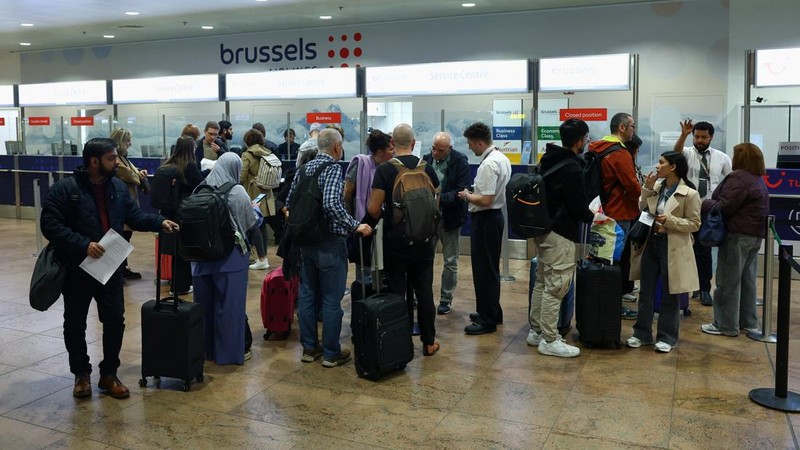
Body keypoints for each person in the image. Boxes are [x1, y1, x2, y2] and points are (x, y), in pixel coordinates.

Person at [41, 138, 178, 399]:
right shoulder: (65, 189)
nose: (117, 162)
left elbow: (133, 217)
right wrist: (83, 245)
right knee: (75, 324)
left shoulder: (116, 187)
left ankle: (109, 374)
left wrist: (159, 222)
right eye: (111, 158)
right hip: (77, 269)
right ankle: (81, 374)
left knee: (115, 321)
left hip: (110, 267)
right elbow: (49, 224)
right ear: (94, 161)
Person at [287, 129, 372, 367]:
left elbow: (291, 201)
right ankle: (331, 353)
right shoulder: (333, 168)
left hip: (306, 243)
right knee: (331, 301)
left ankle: (309, 348)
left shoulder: (304, 168)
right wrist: (354, 225)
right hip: (328, 243)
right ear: (336, 147)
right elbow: (331, 203)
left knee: (307, 296)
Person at [367, 123, 441, 356]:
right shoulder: (427, 168)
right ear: (413, 142)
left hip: (396, 242)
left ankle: (400, 342)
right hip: (424, 241)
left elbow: (373, 208)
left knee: (397, 291)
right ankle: (429, 342)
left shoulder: (385, 171)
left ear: (392, 143)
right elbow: (435, 201)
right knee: (425, 291)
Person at [527, 119, 594, 358]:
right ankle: (549, 339)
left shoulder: (549, 158)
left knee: (543, 282)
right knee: (556, 287)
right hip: (561, 233)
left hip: (543, 230)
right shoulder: (573, 168)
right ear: (579, 141)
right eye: (586, 139)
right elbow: (578, 207)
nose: (587, 143)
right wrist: (593, 216)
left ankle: (536, 332)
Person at [627, 151, 701, 353]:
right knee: (646, 290)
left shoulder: (690, 194)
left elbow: (694, 224)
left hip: (673, 245)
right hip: (651, 243)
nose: (658, 166)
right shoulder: (658, 188)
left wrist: (670, 221)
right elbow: (642, 208)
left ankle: (667, 337)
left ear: (673, 167)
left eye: (661, 163)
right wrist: (646, 189)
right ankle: (641, 334)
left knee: (670, 293)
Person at [192, 152, 260, 365]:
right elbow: (251, 223)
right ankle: (228, 355)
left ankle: (206, 352)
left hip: (201, 258)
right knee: (230, 309)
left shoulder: (200, 188)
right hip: (230, 260)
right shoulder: (237, 191)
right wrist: (256, 211)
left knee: (204, 308)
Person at [701, 143, 768, 337]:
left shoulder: (738, 178)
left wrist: (704, 203)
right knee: (747, 281)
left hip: (737, 235)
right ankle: (748, 321)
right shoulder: (757, 179)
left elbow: (725, 205)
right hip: (755, 235)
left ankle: (725, 325)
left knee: (727, 281)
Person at [457, 122, 511, 335]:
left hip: (486, 218)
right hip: (494, 218)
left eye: (471, 144)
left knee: (483, 270)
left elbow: (486, 199)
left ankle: (487, 320)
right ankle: (492, 311)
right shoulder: (502, 158)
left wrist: (466, 195)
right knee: (490, 268)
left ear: (480, 142)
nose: (470, 148)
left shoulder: (488, 164)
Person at [587, 112, 642, 320]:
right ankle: (613, 306)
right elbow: (632, 186)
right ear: (622, 127)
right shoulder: (620, 153)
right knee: (614, 263)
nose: (633, 129)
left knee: (603, 259)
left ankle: (602, 302)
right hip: (620, 213)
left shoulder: (597, 147)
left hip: (603, 211)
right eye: (632, 126)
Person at [673, 120, 733, 307]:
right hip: (684, 207)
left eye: (704, 137)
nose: (699, 140)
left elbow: (731, 180)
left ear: (711, 137)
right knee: (683, 249)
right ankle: (689, 287)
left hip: (707, 209)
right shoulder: (686, 153)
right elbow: (675, 155)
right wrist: (683, 135)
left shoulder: (721, 157)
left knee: (704, 250)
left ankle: (705, 288)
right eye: (696, 136)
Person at [422, 132, 470, 315]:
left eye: (440, 150)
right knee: (426, 258)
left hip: (451, 217)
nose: (435, 153)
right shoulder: (426, 160)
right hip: (429, 219)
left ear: (449, 149)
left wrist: (439, 200)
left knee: (450, 261)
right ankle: (423, 295)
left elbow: (462, 190)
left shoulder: (460, 161)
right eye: (433, 148)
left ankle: (445, 299)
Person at [344, 128, 394, 288]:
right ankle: (364, 299)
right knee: (364, 263)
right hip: (363, 221)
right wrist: (352, 220)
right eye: (390, 149)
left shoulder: (389, 168)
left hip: (383, 223)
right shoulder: (361, 164)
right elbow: (347, 192)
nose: (393, 151)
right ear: (380, 151)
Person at [159, 135, 204, 295]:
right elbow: (201, 184)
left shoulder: (169, 164)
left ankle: (176, 285)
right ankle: (182, 286)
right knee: (184, 251)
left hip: (168, 213)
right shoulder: (189, 166)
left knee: (176, 251)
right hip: (184, 213)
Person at [109, 128, 148, 281]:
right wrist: (139, 175)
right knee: (121, 237)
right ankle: (117, 270)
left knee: (125, 236)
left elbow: (133, 171)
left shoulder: (123, 157)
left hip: (128, 203)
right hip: (120, 205)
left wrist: (138, 172)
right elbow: (131, 176)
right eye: (127, 141)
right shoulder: (115, 159)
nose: (130, 144)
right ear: (120, 142)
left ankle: (123, 268)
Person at [241, 128, 277, 270]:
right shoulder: (267, 152)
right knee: (262, 225)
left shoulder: (247, 154)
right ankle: (264, 257)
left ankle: (261, 258)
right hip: (266, 193)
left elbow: (241, 176)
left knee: (255, 224)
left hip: (254, 193)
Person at [621, 134, 644, 303]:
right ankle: (624, 288)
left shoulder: (631, 164)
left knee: (630, 251)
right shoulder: (625, 165)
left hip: (633, 213)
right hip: (626, 213)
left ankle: (628, 285)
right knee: (625, 253)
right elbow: (634, 188)